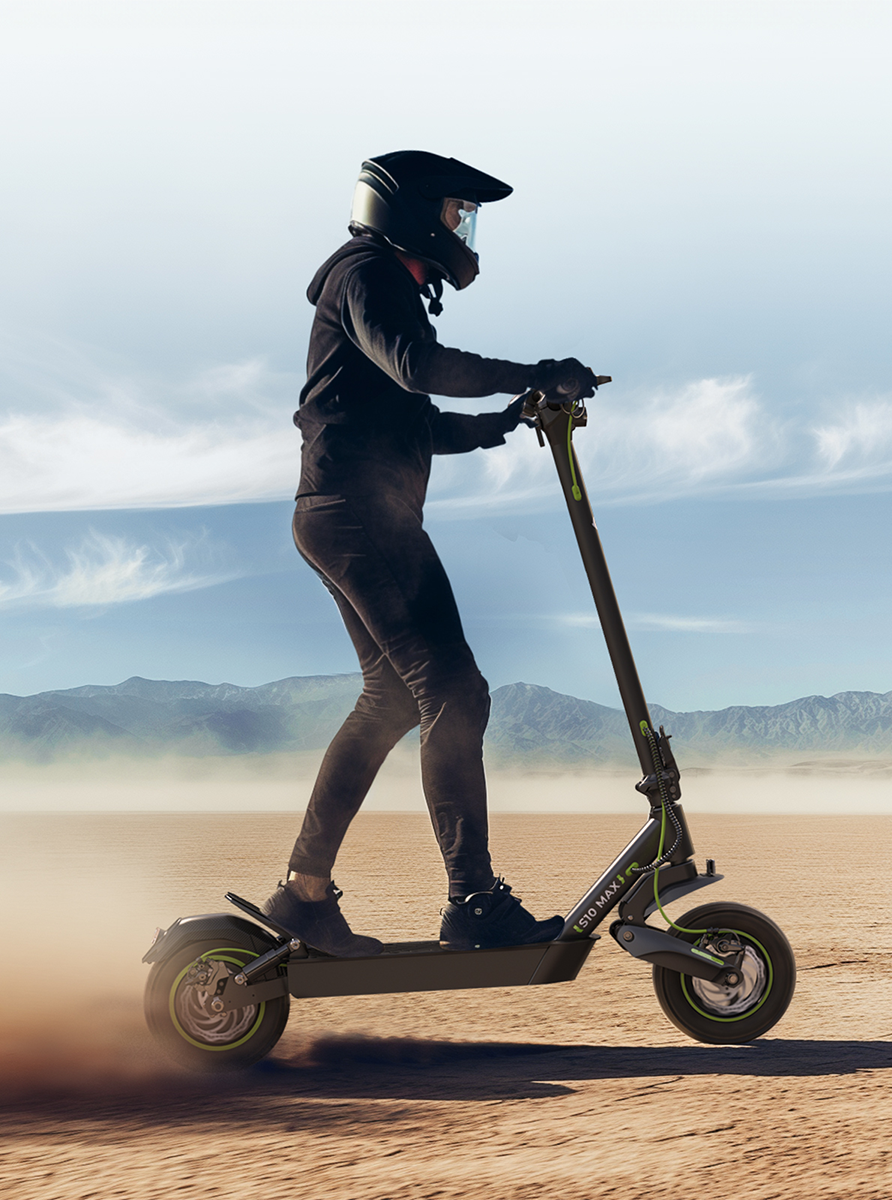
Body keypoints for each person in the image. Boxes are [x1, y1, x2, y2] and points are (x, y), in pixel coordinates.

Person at [262, 151, 600, 956]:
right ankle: (473, 902)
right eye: (455, 211)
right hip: (361, 517)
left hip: (346, 512)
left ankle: (304, 895)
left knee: (392, 698)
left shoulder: (385, 286)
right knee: (456, 692)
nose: (463, 228)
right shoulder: (367, 275)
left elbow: (408, 416)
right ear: (409, 212)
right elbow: (417, 370)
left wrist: (507, 418)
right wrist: (535, 369)